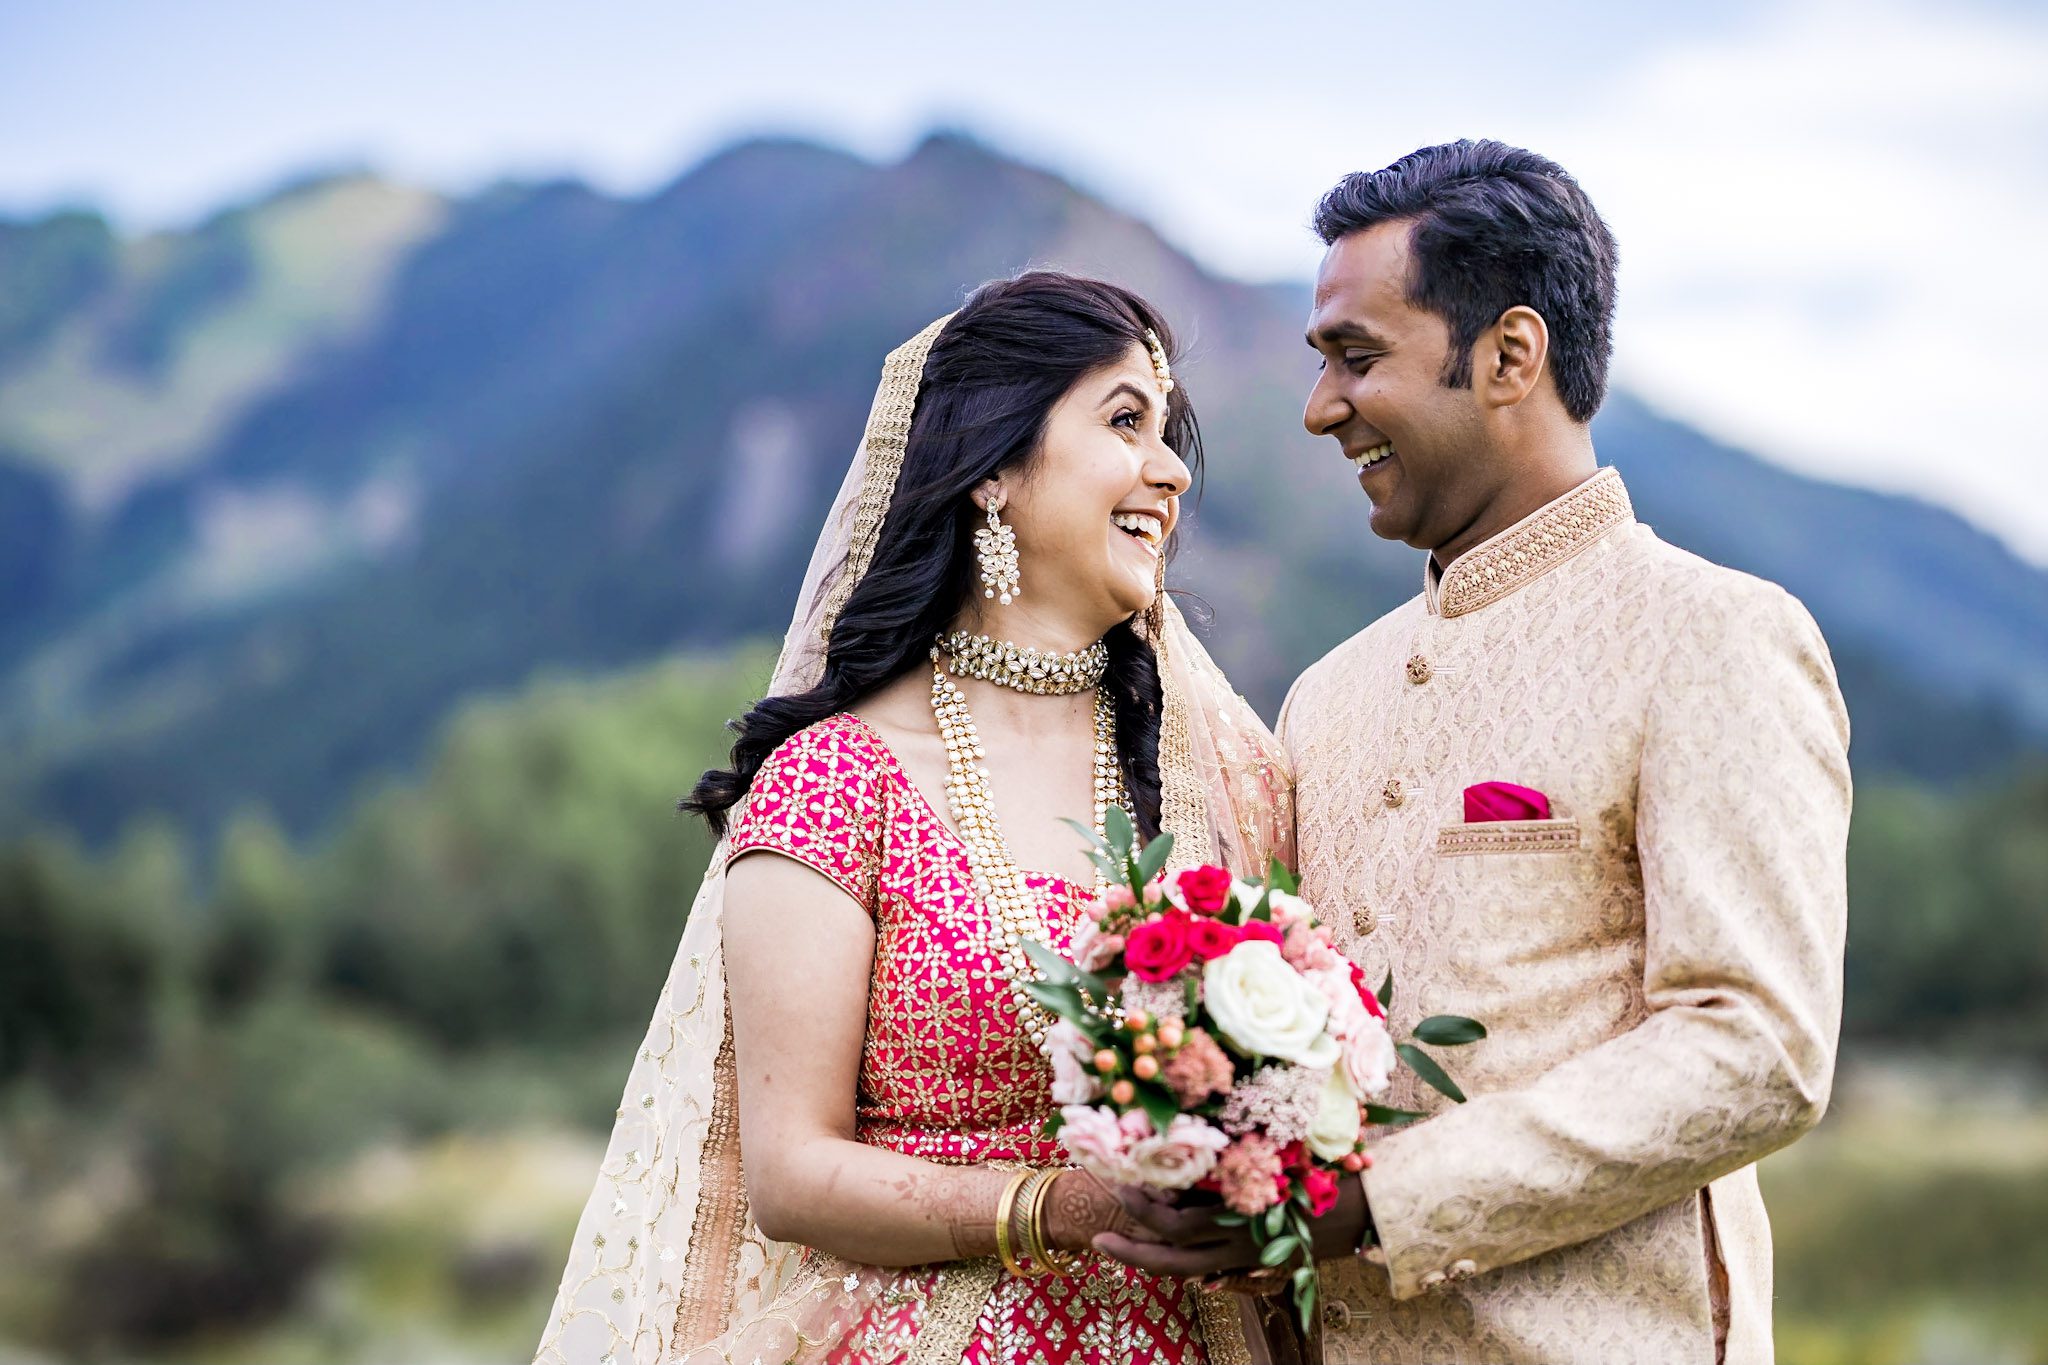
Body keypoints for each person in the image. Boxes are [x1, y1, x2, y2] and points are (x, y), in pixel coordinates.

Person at [1096, 141, 1851, 1365]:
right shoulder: (1324, 697)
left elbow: (1753, 1045)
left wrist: (1380, 1203)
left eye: (1355, 357)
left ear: (1508, 356)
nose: (1317, 407)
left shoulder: (1711, 635)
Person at [534, 271, 1293, 1365]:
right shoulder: (836, 781)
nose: (1169, 472)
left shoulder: (1216, 777)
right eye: (1125, 421)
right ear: (991, 470)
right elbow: (793, 1173)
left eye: (1166, 434)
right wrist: (1065, 1208)